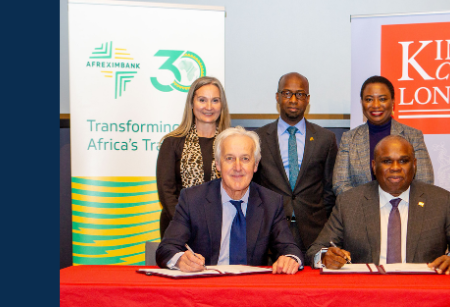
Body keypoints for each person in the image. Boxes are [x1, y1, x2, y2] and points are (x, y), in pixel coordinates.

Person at [308, 135, 450, 275]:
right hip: (366, 297)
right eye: (387, 161)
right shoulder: (349, 202)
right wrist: (325, 257)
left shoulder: (440, 201)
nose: (395, 167)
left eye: (403, 161)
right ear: (374, 166)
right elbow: (316, 250)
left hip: (423, 297)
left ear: (414, 165)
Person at [156, 126, 303, 274]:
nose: (237, 167)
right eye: (229, 158)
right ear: (218, 164)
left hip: (251, 289)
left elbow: (290, 248)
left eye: (245, 159)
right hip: (206, 289)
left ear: (255, 165)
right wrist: (181, 259)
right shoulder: (193, 199)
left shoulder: (270, 202)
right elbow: (167, 247)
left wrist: (290, 258)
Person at [253, 72, 338, 263]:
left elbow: (329, 190)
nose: (293, 100)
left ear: (307, 99)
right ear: (277, 97)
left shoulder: (326, 139)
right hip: (270, 232)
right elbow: (254, 187)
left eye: (299, 94)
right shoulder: (258, 138)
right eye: (287, 93)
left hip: (312, 234)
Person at [333, 75, 434, 195]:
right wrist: (369, 205)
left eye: (382, 99)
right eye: (369, 99)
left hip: (403, 210)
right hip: (361, 211)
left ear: (393, 102)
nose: (375, 105)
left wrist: (396, 202)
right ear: (362, 103)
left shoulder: (413, 136)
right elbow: (340, 185)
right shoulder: (349, 139)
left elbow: (425, 181)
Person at [156, 76, 231, 238]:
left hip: (222, 228)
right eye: (202, 100)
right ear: (191, 103)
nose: (209, 107)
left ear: (222, 105)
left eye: (215, 100)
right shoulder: (172, 143)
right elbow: (166, 192)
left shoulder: (231, 144)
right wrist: (186, 223)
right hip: (178, 228)